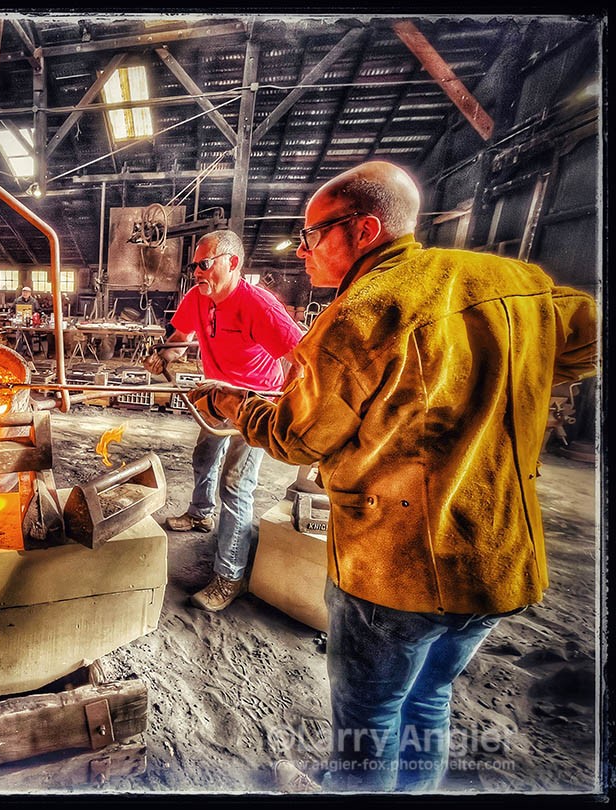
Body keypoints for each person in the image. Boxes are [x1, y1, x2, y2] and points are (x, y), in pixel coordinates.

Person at [187, 161, 598, 792]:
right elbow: (588, 343)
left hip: (396, 569)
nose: (302, 249)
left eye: (312, 234)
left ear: (364, 230)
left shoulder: (361, 314)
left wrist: (232, 405)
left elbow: (296, 437)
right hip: (497, 559)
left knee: (372, 717)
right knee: (429, 698)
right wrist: (506, 378)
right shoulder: (516, 283)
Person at [143, 229, 303, 612]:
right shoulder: (198, 297)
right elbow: (181, 336)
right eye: (194, 266)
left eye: (204, 264)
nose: (197, 272)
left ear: (232, 263)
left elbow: (302, 356)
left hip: (254, 403)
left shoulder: (258, 305)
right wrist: (163, 356)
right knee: (204, 457)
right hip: (217, 394)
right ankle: (201, 514)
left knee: (235, 483)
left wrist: (288, 404)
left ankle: (230, 575)